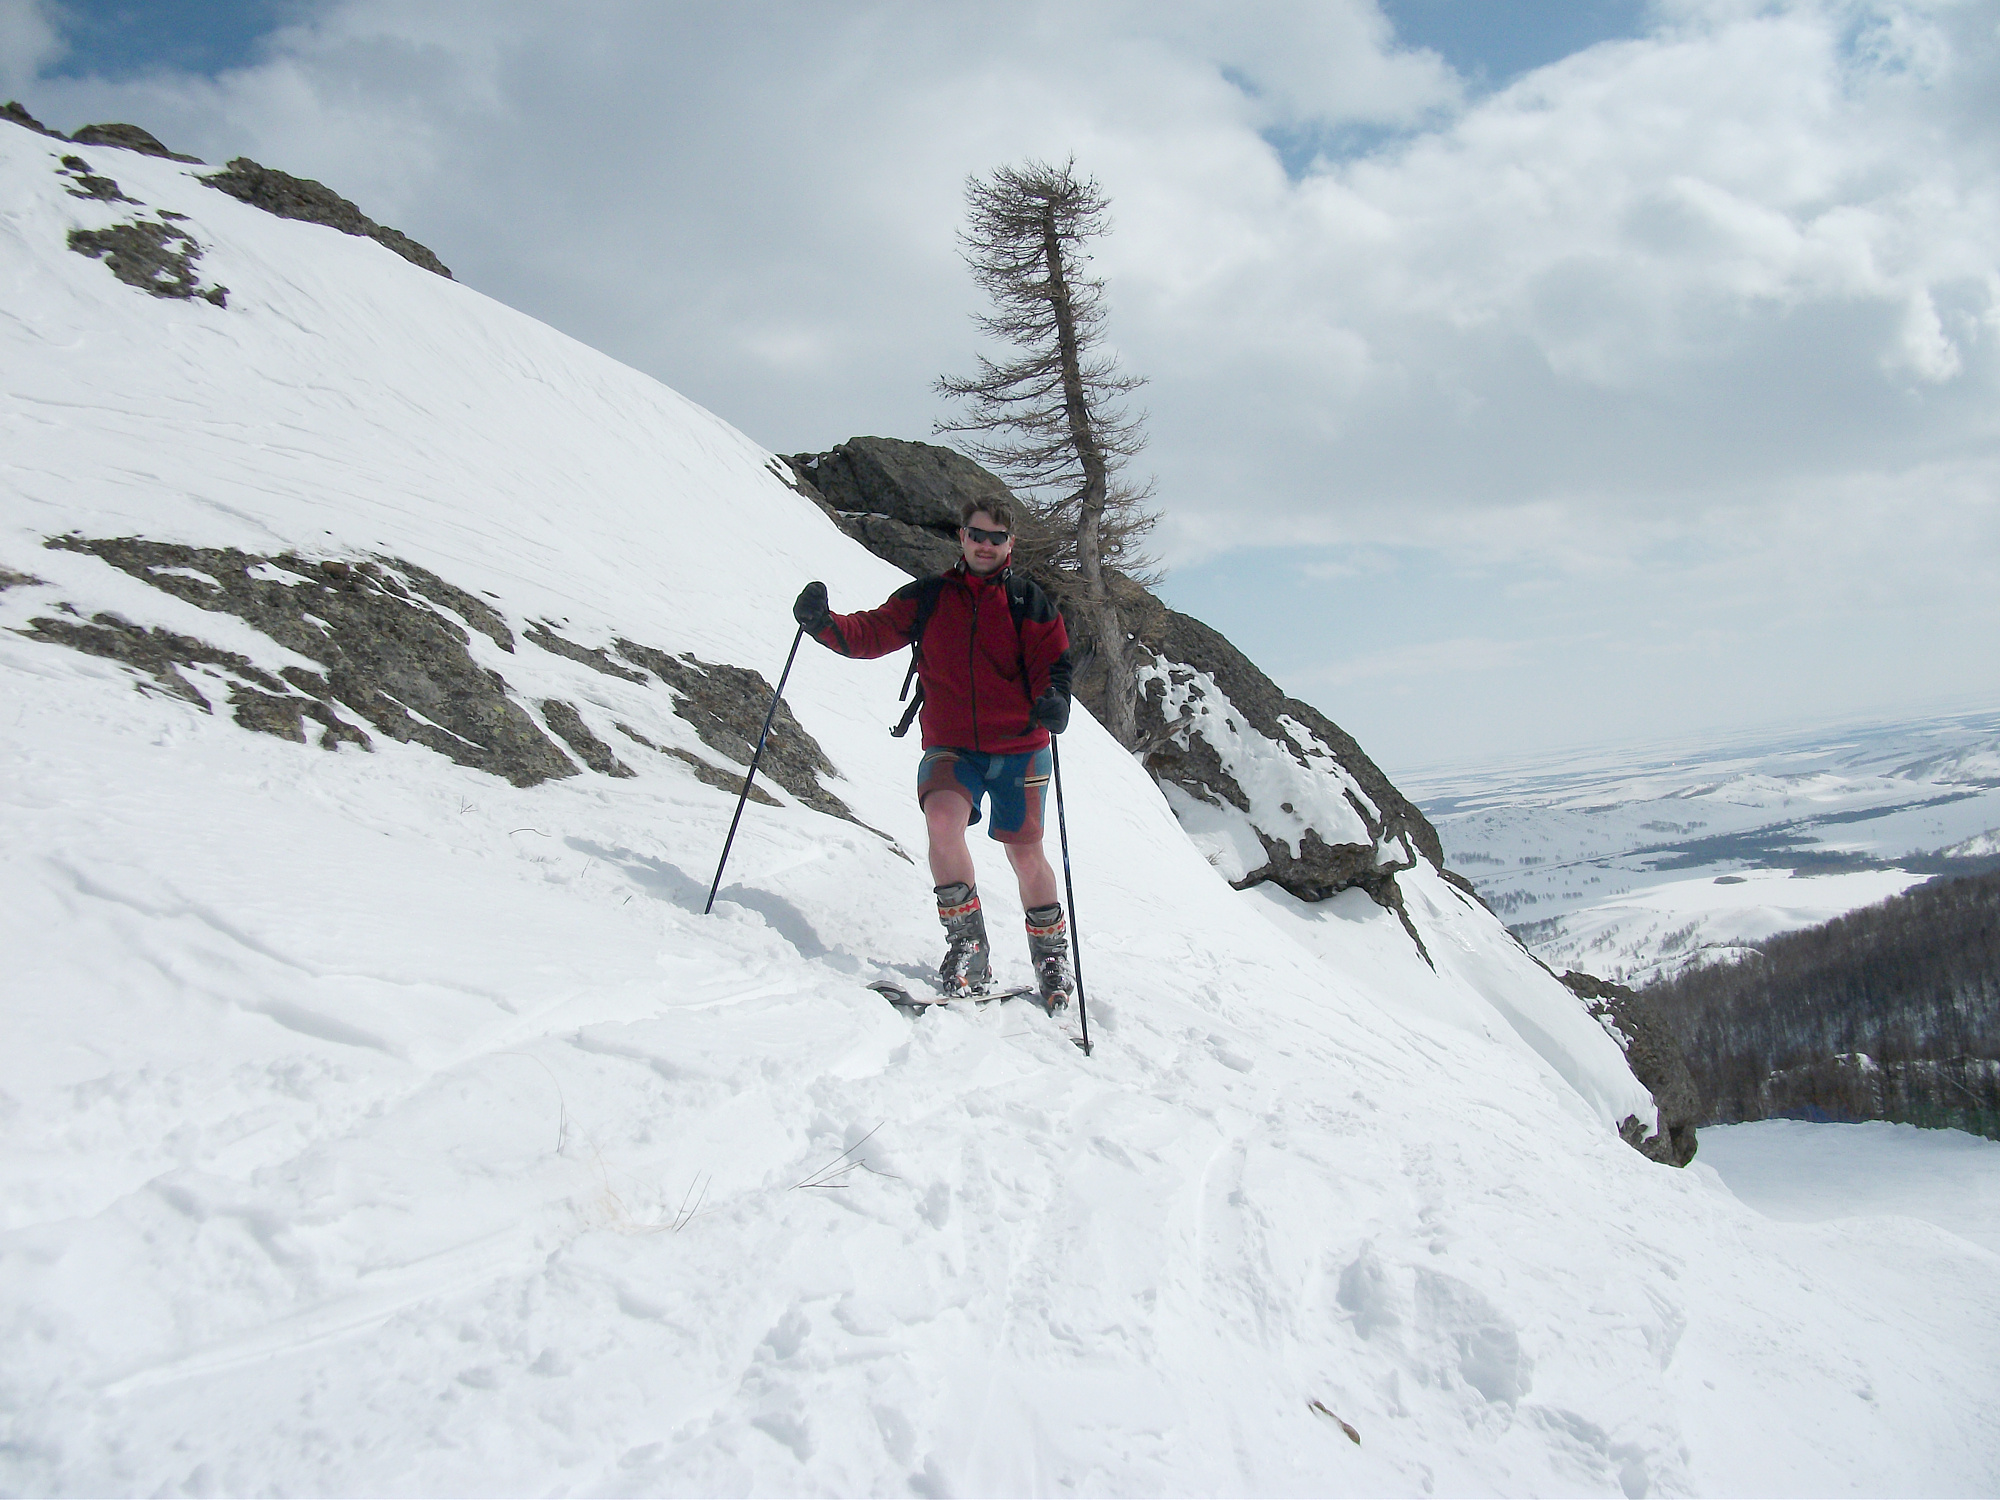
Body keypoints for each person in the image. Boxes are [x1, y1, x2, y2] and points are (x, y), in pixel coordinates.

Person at [792, 498, 1075, 1010]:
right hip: (952, 744)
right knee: (942, 820)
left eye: (995, 538)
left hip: (1020, 747)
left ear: (1010, 543)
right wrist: (824, 624)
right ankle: (968, 947)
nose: (984, 545)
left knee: (1025, 853)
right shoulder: (929, 596)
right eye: (976, 535)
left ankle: (1051, 956)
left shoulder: (1028, 603)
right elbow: (872, 632)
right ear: (961, 537)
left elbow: (1052, 666)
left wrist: (1054, 700)